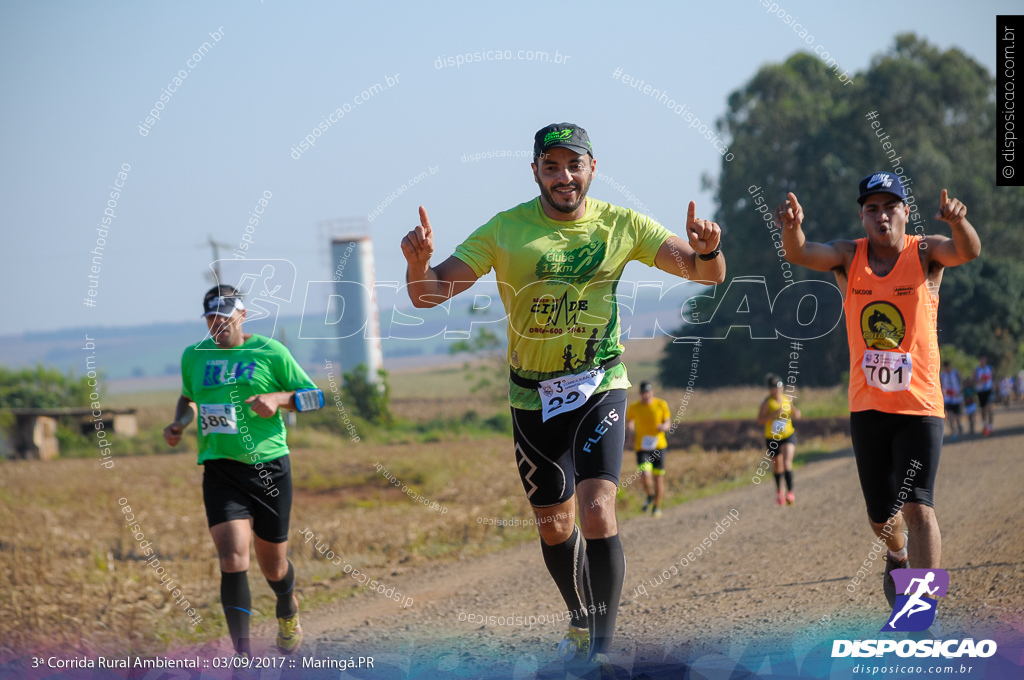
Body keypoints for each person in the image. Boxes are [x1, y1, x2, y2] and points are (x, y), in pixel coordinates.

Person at [400, 123, 725, 667]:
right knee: (555, 524)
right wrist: (416, 264)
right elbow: (429, 294)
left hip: (600, 384)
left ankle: (604, 646)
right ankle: (579, 615)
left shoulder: (622, 224)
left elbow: (705, 275)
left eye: (574, 165)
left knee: (597, 509)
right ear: (535, 172)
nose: (564, 177)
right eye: (551, 167)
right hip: (532, 398)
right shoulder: (505, 230)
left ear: (592, 168)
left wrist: (709, 251)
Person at [779, 171, 981, 608]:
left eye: (891, 206)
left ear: (906, 213)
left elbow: (968, 250)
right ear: (863, 216)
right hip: (868, 408)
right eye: (872, 208)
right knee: (881, 517)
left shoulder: (925, 252)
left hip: (920, 406)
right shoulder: (848, 257)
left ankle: (921, 611)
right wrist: (792, 228)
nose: (882, 214)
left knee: (918, 508)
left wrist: (958, 222)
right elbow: (800, 253)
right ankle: (897, 552)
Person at [163, 285, 324, 659]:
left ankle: (287, 609)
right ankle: (244, 657)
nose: (217, 324)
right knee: (233, 557)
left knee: (273, 566)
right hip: (220, 468)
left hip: (268, 469)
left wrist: (280, 400)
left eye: (224, 316)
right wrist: (178, 422)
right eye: (211, 318)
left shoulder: (271, 352)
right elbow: (188, 397)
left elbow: (315, 397)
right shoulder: (195, 356)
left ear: (242, 315)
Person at [625, 381, 672, 517]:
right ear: (640, 394)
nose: (646, 396)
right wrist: (631, 436)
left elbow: (668, 422)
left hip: (659, 446)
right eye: (643, 393)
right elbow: (630, 423)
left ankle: (657, 506)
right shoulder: (634, 407)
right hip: (642, 447)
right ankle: (649, 495)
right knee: (645, 476)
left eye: (648, 393)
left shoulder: (661, 404)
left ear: (652, 392)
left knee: (658, 479)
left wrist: (664, 427)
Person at [757, 374, 801, 505]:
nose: (778, 389)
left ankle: (790, 492)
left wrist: (796, 413)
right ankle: (779, 490)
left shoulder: (787, 398)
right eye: (775, 387)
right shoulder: (767, 403)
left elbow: (793, 411)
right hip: (773, 438)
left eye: (780, 386)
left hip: (788, 435)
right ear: (770, 389)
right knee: (778, 467)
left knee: (787, 462)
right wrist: (774, 415)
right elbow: (760, 420)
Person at [939, 361, 963, 442]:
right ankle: (954, 433)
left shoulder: (956, 373)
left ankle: (959, 426)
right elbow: (941, 385)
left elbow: (961, 383)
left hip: (956, 398)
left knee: (957, 416)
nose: (947, 369)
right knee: (950, 416)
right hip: (948, 399)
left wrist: (959, 392)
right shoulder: (942, 375)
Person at [974, 356, 995, 435]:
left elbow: (994, 378)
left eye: (984, 359)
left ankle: (991, 426)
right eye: (981, 359)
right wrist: (978, 381)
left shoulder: (990, 368)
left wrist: (994, 385)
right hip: (981, 391)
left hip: (989, 390)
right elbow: (973, 381)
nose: (983, 361)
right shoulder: (977, 370)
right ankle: (985, 425)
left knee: (990, 408)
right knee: (983, 409)